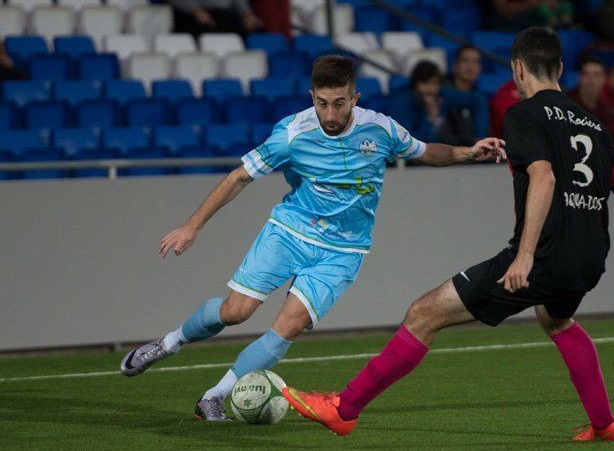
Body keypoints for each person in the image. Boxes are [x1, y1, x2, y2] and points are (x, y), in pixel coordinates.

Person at [282, 27, 614, 441]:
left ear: (518, 68)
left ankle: (344, 409)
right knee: (557, 319)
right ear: (561, 69)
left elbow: (545, 177)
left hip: (545, 255)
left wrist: (526, 256)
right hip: (590, 258)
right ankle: (606, 426)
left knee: (423, 313)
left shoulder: (523, 113)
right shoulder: (596, 126)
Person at [119, 55, 506, 421]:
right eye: (322, 103)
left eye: (340, 103)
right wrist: (193, 225)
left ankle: (214, 397)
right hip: (289, 232)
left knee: (287, 326)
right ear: (312, 97)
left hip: (343, 252)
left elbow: (424, 152)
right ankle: (169, 343)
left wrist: (467, 152)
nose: (331, 115)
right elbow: (239, 177)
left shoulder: (380, 129)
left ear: (355, 98)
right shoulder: (291, 134)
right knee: (235, 312)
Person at [390, 60, 488, 146]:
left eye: (434, 83)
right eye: (425, 83)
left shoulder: (442, 94)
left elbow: (478, 100)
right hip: (412, 162)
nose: (430, 89)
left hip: (443, 156)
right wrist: (430, 118)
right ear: (415, 85)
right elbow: (411, 145)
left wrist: (479, 137)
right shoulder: (401, 104)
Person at [566, 56, 609, 122]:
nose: (591, 80)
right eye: (586, 74)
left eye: (596, 75)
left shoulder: (605, 110)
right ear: (579, 78)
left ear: (604, 80)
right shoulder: (565, 103)